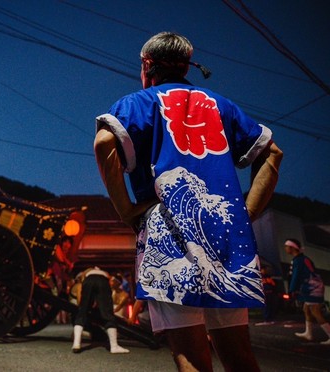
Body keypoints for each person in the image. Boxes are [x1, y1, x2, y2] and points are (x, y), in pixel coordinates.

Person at [94, 31, 283, 371]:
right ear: (185, 68)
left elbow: (103, 143)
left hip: (170, 240)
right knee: (239, 355)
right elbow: (272, 154)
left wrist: (126, 210)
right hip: (227, 241)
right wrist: (247, 212)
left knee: (191, 357)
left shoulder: (138, 103)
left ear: (147, 66)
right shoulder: (222, 105)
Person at [72, 266, 129, 354]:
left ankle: (76, 343)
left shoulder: (87, 271)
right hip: (102, 281)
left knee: (82, 312)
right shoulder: (105, 273)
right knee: (107, 313)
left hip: (88, 280)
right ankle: (114, 346)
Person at [285, 238, 330, 345]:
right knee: (307, 309)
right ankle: (309, 333)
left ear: (292, 248)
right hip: (312, 286)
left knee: (315, 311)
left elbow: (296, 277)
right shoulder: (301, 259)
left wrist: (292, 290)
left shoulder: (299, 260)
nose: (285, 248)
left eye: (286, 246)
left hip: (312, 288)